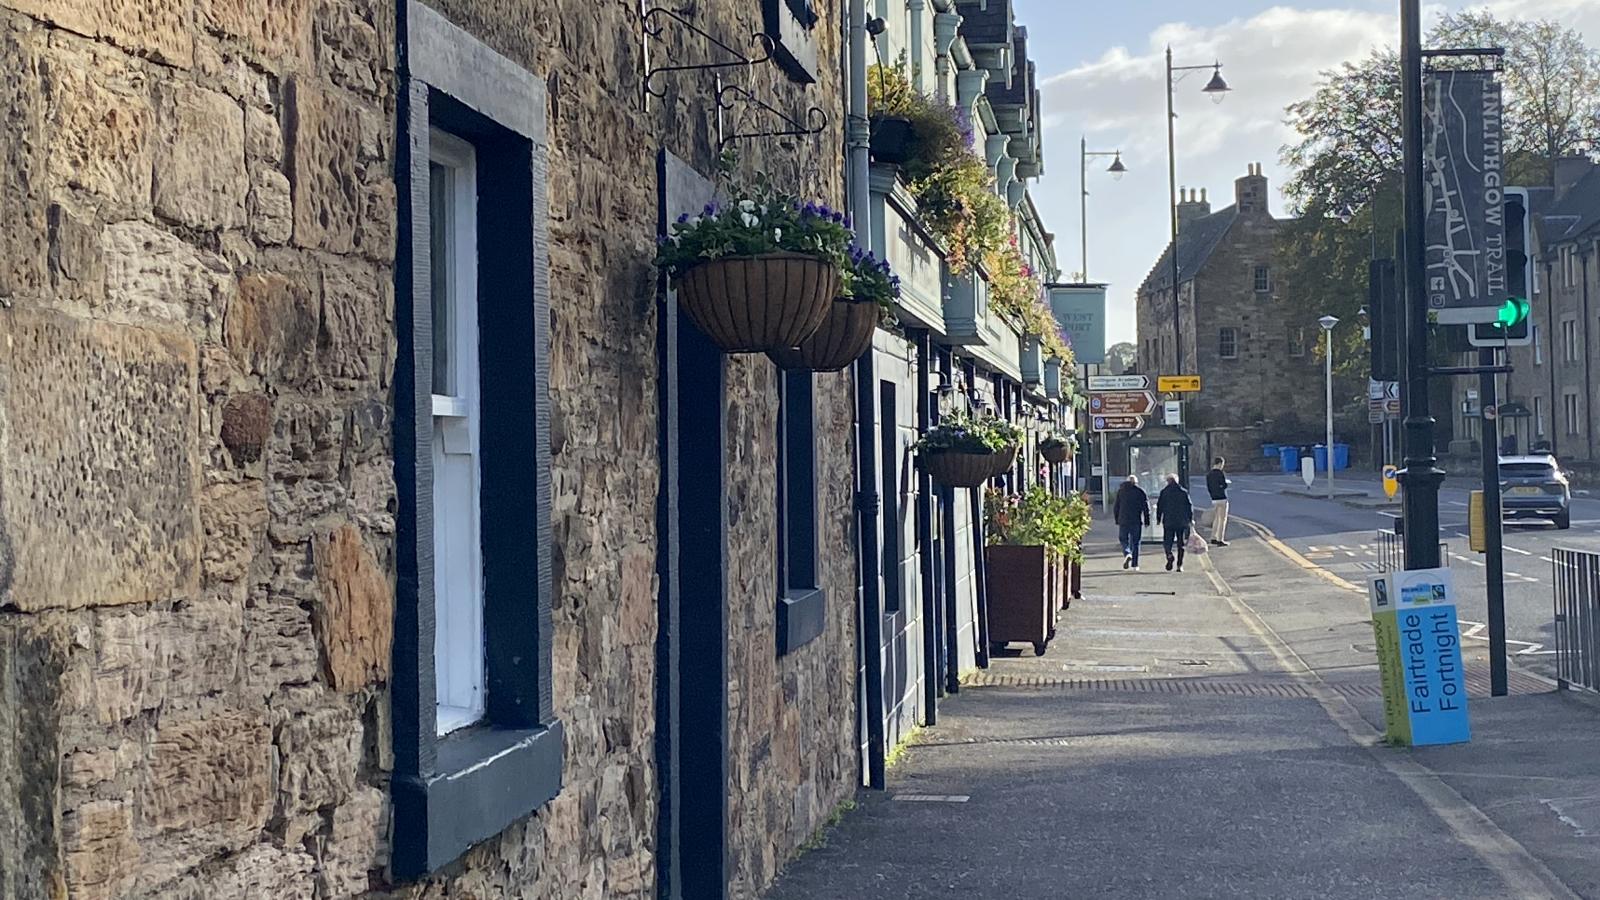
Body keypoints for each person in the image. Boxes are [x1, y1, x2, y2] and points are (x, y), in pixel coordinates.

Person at [1156, 473, 1194, 572]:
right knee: (1181, 544)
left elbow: (1160, 507)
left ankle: (1169, 554)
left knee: (1167, 541)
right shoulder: (1183, 492)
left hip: (1168, 521)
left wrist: (1158, 518)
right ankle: (1179, 565)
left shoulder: (1164, 492)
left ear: (1168, 481)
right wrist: (1190, 519)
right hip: (1181, 522)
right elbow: (1189, 506)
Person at [1113, 474, 1150, 570]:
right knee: (1136, 542)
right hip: (1136, 520)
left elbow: (1116, 506)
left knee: (1123, 539)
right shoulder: (1140, 492)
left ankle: (1127, 553)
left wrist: (1117, 519)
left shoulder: (1121, 491)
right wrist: (1147, 520)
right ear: (1136, 482)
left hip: (1123, 520)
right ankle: (1135, 565)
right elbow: (1145, 508)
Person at [1205, 456, 1231, 546]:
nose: (1222, 466)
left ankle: (1213, 537)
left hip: (1214, 499)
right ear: (1220, 464)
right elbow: (1224, 485)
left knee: (1216, 518)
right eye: (1222, 465)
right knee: (1222, 519)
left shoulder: (1209, 474)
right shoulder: (1220, 473)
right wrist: (1225, 484)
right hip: (1222, 498)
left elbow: (1209, 487)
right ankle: (1220, 539)